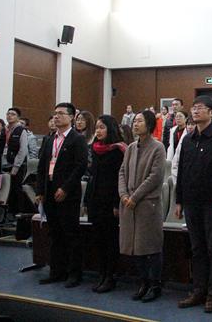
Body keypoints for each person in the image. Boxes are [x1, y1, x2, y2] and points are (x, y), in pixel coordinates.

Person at [175, 96, 212, 313]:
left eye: (200, 108)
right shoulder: (188, 139)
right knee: (197, 248)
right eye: (193, 108)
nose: (195, 111)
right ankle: (198, 290)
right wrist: (179, 200)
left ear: (211, 112)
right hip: (191, 201)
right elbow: (182, 171)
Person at [35, 103, 88, 287]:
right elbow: (42, 166)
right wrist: (40, 191)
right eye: (55, 113)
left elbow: (80, 166)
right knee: (55, 233)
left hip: (68, 193)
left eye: (60, 113)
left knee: (70, 234)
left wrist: (65, 188)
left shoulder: (77, 139)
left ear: (71, 117)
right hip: (49, 191)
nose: (56, 116)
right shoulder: (50, 139)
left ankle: (74, 274)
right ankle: (56, 271)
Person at [118, 110, 166, 302]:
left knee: (151, 248)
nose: (135, 124)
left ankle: (155, 285)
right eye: (135, 121)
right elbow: (122, 172)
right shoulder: (131, 147)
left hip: (147, 204)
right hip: (129, 204)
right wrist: (123, 194)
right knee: (135, 248)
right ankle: (143, 283)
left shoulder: (158, 147)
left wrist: (135, 197)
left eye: (140, 121)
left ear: (149, 124)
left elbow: (155, 177)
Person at [84, 115, 127, 294]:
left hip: (110, 202)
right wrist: (86, 200)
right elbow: (91, 177)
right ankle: (101, 274)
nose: (98, 131)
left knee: (110, 240)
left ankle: (110, 276)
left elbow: (120, 179)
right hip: (95, 199)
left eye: (102, 127)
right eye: (97, 128)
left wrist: (117, 203)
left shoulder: (119, 150)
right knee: (98, 239)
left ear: (110, 129)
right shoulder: (95, 148)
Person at [2, 107, 29, 215]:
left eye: (13, 114)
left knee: (16, 188)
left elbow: (23, 150)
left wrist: (16, 166)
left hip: (18, 165)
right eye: (8, 114)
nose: (9, 116)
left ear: (18, 117)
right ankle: (9, 212)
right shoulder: (6, 130)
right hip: (6, 164)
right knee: (7, 189)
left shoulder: (21, 130)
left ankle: (19, 212)